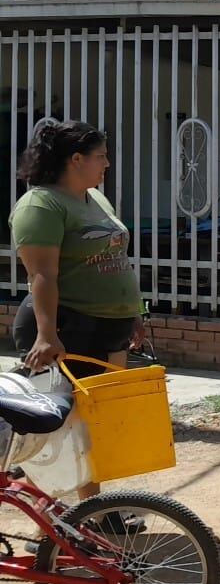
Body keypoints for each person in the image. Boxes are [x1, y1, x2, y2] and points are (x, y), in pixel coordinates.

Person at [10, 120, 146, 521]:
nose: (107, 164)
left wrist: (133, 315)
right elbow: (42, 276)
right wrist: (47, 334)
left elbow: (117, 259)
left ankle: (96, 514)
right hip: (69, 329)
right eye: (100, 156)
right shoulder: (41, 205)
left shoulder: (94, 199)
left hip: (109, 327)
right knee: (55, 431)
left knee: (95, 425)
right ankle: (48, 523)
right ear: (76, 159)